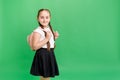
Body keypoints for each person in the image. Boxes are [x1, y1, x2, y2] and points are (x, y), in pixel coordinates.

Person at [27, 9, 59, 80]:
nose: (45, 20)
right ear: (37, 18)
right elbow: (34, 47)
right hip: (43, 55)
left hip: (49, 54)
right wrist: (47, 39)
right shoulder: (38, 31)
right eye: (42, 17)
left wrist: (54, 37)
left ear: (50, 18)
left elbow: (48, 43)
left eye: (47, 17)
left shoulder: (48, 28)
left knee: (46, 77)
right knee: (45, 77)